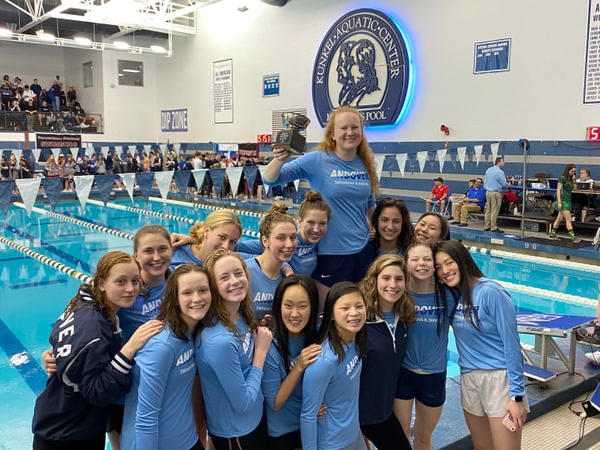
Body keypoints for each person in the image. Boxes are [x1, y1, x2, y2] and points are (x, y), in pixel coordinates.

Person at [31, 251, 163, 450]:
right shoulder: (94, 325)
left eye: (135, 281)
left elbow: (58, 337)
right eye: (121, 282)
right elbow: (97, 392)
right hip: (68, 433)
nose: (131, 289)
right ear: (101, 283)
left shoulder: (87, 304)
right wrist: (130, 347)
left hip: (64, 421)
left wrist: (59, 354)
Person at [263, 106, 378, 289]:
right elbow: (270, 179)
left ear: (361, 132)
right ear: (332, 134)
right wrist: (279, 159)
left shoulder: (365, 163)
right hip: (330, 253)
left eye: (355, 127)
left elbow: (370, 202)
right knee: (330, 310)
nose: (350, 132)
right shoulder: (317, 160)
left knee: (360, 308)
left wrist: (371, 223)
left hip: (364, 249)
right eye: (343, 128)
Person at [433, 240, 528, 450]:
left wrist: (517, 396)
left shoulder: (491, 292)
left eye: (448, 263)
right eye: (438, 267)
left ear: (462, 260)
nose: (444, 271)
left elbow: (512, 345)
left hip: (498, 380)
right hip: (469, 379)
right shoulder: (454, 296)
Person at [122, 264, 213, 450]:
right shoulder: (161, 346)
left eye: (203, 290)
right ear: (175, 299)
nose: (197, 298)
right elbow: (146, 418)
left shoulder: (193, 332)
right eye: (187, 293)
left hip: (187, 440)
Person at [196, 249, 272, 450]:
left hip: (253, 420)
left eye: (238, 273)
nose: (235, 281)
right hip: (237, 433)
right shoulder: (219, 341)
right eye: (224, 277)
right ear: (212, 287)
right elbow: (243, 403)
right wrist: (261, 353)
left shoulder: (239, 315)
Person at [395, 243, 456, 450]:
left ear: (434, 264)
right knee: (401, 436)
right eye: (415, 259)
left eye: (427, 259)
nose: (421, 264)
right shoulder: (399, 295)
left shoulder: (449, 295)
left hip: (434, 376)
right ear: (406, 264)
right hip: (403, 374)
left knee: (423, 436)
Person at [300, 282, 367, 450]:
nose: (354, 313)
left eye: (359, 306)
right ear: (331, 315)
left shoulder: (355, 339)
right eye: (345, 308)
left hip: (353, 432)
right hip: (332, 443)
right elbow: (308, 415)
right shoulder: (324, 361)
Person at [358, 255, 413, 450]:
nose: (393, 285)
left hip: (382, 414)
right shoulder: (359, 319)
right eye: (386, 278)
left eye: (399, 279)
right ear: (374, 280)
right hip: (353, 416)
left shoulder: (404, 318)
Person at [262, 275, 320, 450]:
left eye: (303, 306)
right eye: (288, 306)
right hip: (284, 431)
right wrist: (299, 366)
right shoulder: (270, 346)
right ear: (278, 307)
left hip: (313, 421)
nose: (295, 314)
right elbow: (275, 403)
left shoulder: (319, 335)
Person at [238, 191, 331, 276]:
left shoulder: (320, 243)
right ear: (299, 221)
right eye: (311, 222)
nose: (316, 229)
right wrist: (285, 267)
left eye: (322, 223)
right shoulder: (289, 240)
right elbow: (237, 247)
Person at [245, 204, 297, 318]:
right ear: (265, 241)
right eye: (281, 238)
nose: (289, 244)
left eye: (293, 237)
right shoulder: (245, 272)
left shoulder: (288, 278)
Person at [169, 210, 242, 270]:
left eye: (232, 241)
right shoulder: (175, 252)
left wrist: (194, 240)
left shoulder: (232, 257)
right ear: (206, 232)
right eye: (222, 237)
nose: (226, 247)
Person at [550, 164, 581, 242]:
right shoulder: (562, 178)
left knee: (559, 218)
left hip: (568, 200)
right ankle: (573, 237)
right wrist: (559, 202)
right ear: (568, 170)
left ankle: (552, 235)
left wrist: (574, 181)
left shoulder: (571, 179)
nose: (573, 173)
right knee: (568, 219)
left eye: (574, 172)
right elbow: (558, 190)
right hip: (563, 201)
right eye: (572, 171)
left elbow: (575, 189)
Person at [483, 157, 508, 233]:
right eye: (503, 161)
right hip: (496, 192)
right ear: (499, 162)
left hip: (487, 192)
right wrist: (508, 185)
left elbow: (485, 181)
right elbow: (504, 184)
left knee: (488, 210)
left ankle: (487, 226)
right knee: (495, 210)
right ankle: (493, 227)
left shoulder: (488, 170)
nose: (504, 163)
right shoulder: (500, 172)